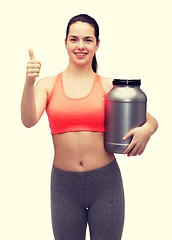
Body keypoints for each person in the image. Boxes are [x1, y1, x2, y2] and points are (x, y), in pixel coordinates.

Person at [21, 14, 158, 240]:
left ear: (97, 44)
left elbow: (150, 119)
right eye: (74, 39)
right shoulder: (47, 85)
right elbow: (28, 120)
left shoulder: (108, 86)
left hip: (105, 184)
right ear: (65, 43)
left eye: (88, 40)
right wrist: (28, 82)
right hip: (64, 187)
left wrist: (147, 130)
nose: (80, 46)